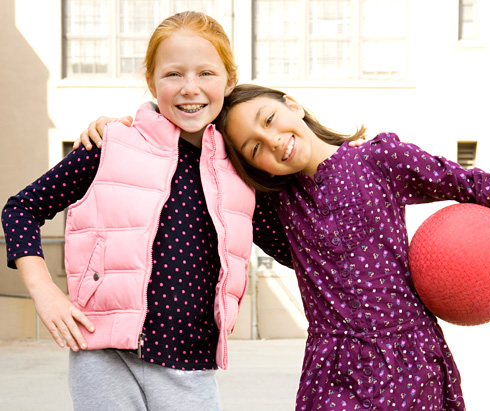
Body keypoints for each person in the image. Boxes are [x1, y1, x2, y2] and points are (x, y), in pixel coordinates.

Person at [208, 84, 490, 410]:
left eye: (269, 118)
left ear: (293, 104)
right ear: (255, 167)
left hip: (411, 363)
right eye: (254, 146)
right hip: (332, 372)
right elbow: (211, 180)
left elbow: (479, 186)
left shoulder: (379, 160)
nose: (271, 139)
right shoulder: (278, 205)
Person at [1, 13, 293, 411]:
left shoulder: (240, 169)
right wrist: (44, 293)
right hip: (104, 354)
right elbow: (21, 209)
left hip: (191, 366)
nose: (190, 88)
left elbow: (295, 249)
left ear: (228, 80)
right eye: (173, 74)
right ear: (151, 81)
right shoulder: (109, 145)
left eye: (205, 72)